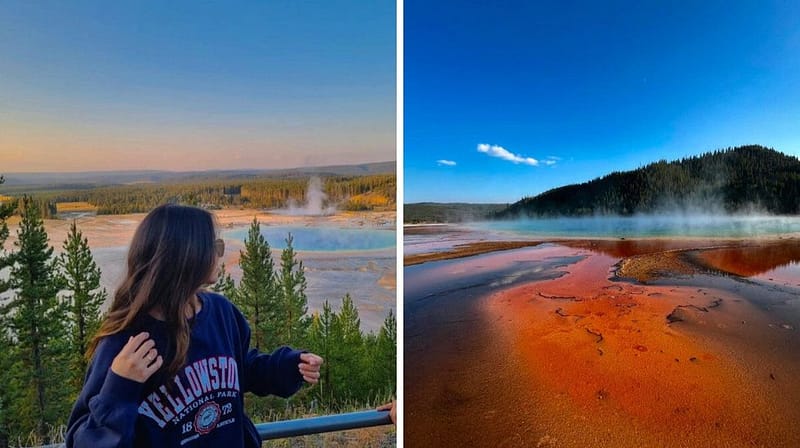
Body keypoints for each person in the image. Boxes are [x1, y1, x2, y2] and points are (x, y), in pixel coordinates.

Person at [66, 204, 323, 448]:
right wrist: (120, 386)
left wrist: (286, 367)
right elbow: (83, 440)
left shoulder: (222, 313)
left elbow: (242, 367)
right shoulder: (126, 341)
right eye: (214, 246)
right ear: (186, 256)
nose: (219, 254)